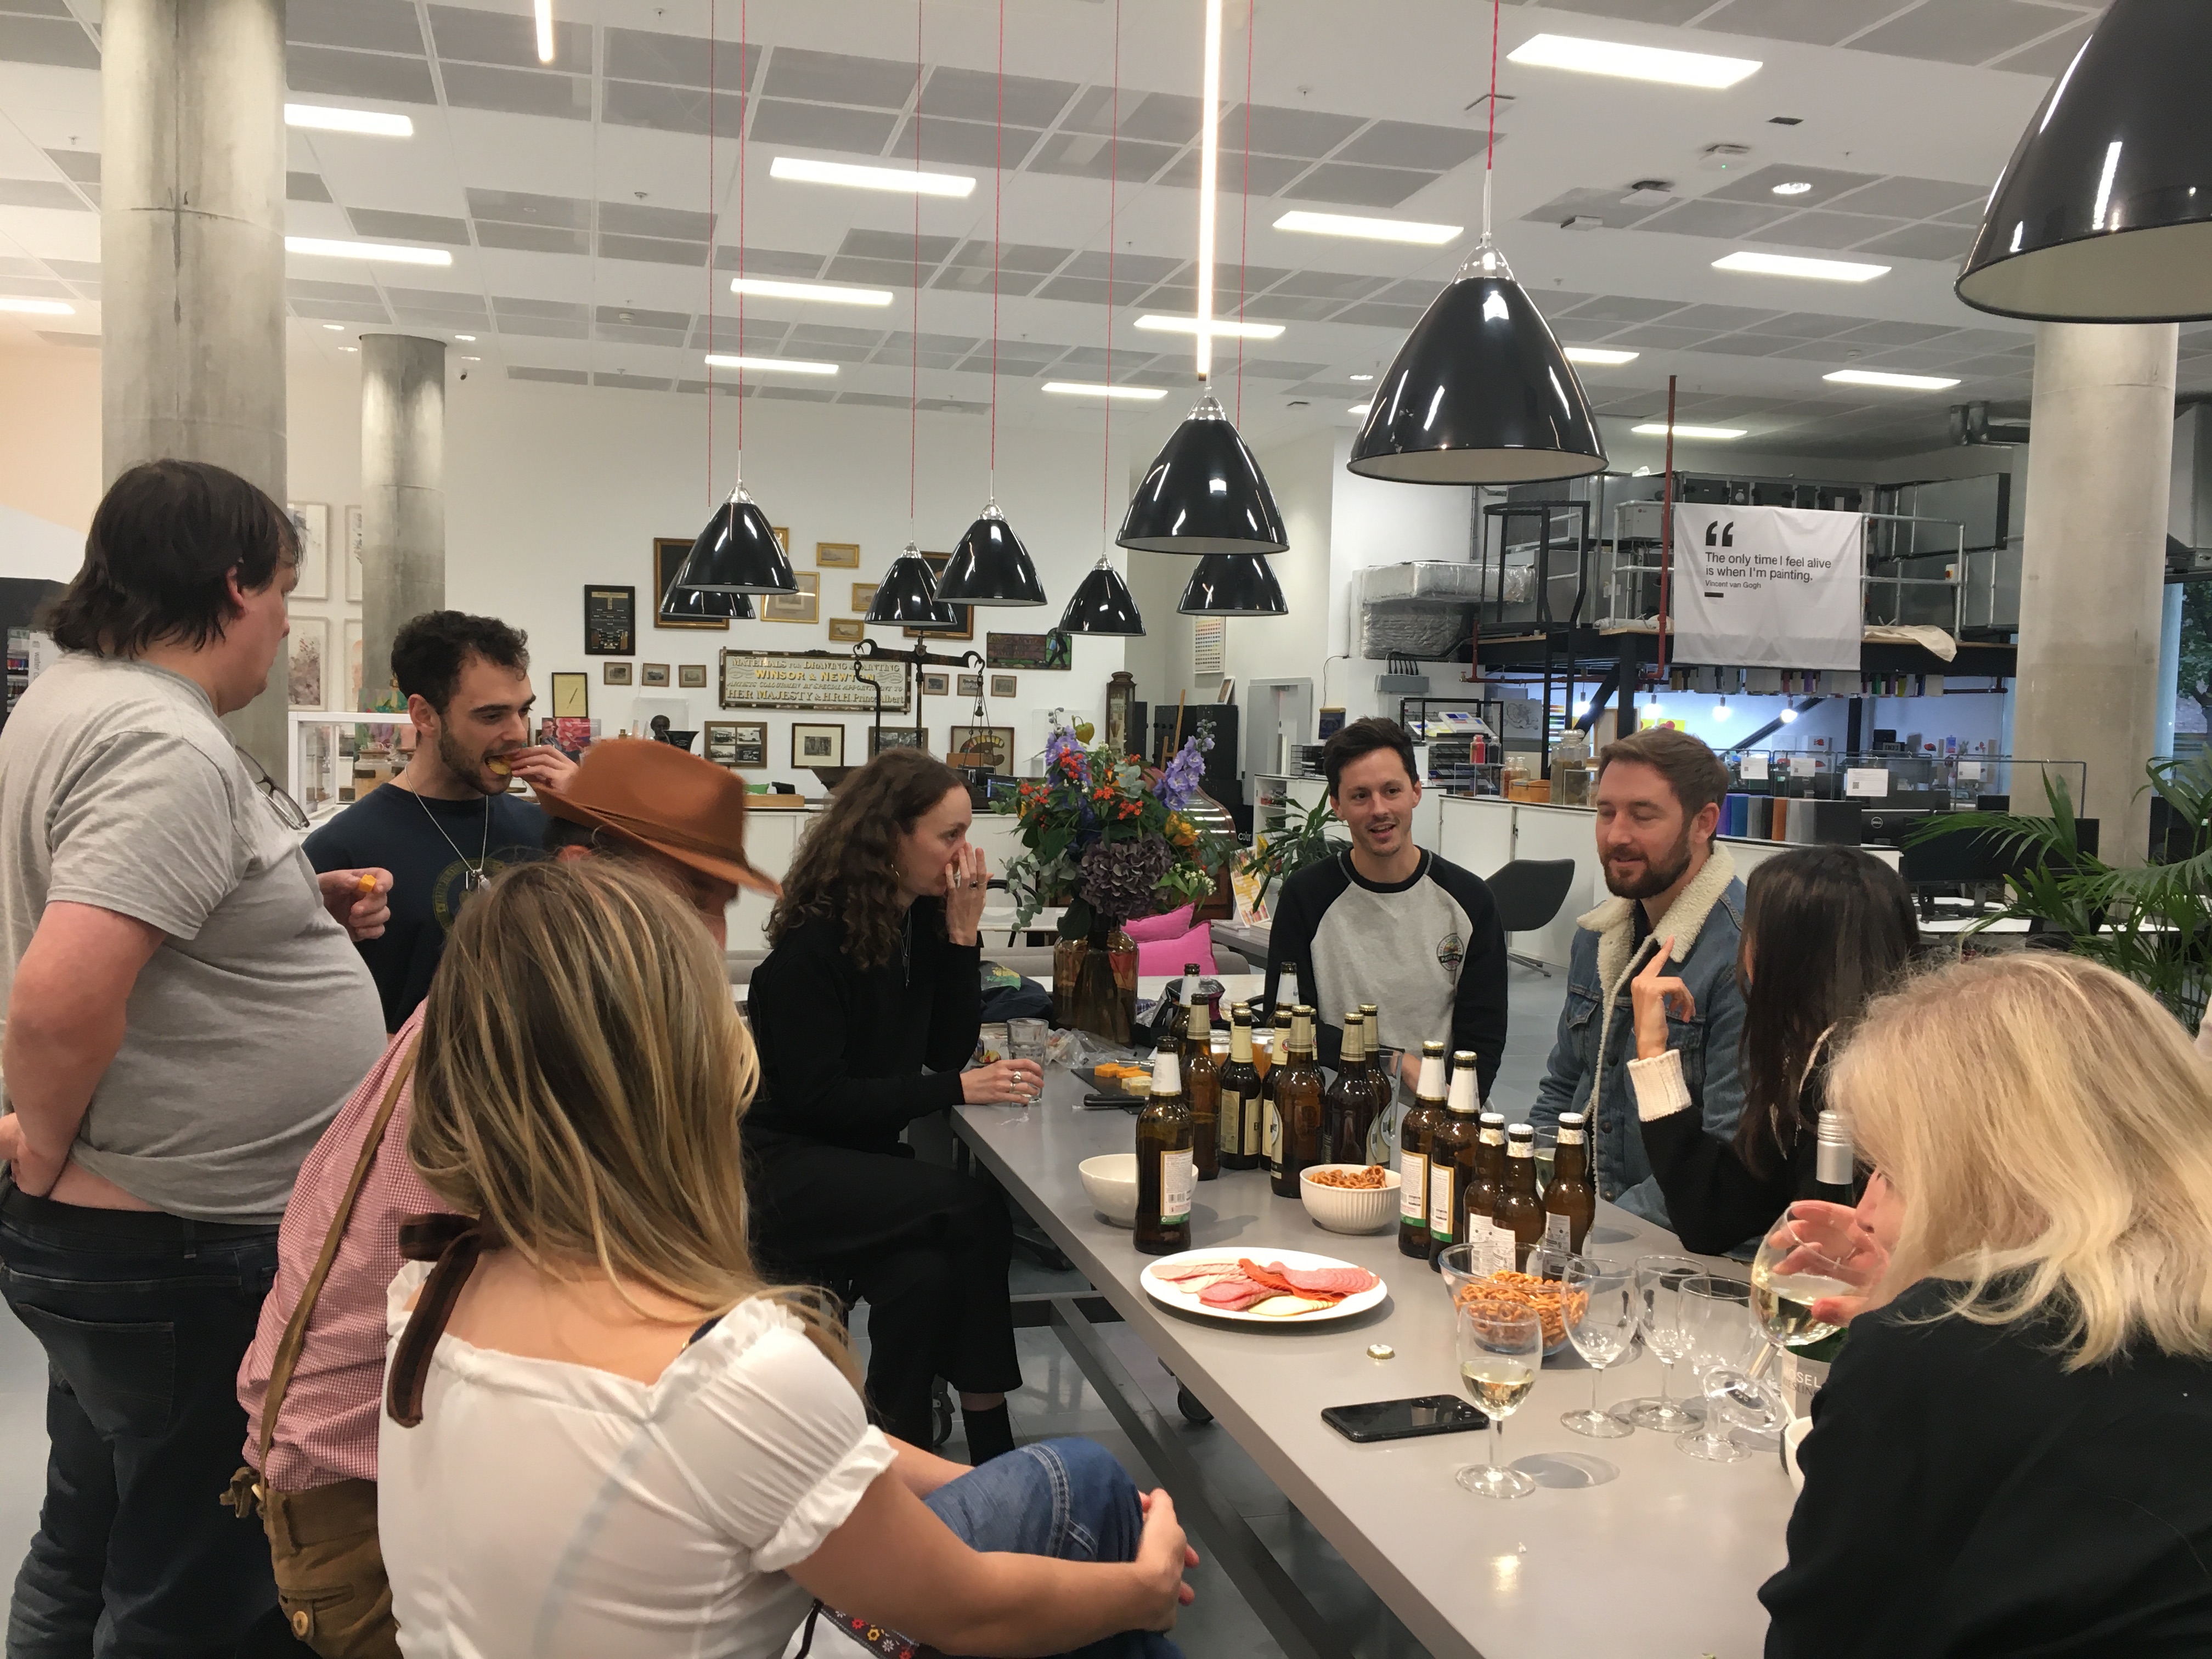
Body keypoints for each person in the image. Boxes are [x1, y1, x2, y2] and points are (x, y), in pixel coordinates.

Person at [378, 858, 1196, 1657]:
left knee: (1076, 1476)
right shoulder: (732, 1371)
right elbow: (975, 1615)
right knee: (1092, 1493)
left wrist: (943, 1483)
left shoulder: (427, 1294)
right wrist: (1146, 1588)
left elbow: (778, 1450)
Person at [234, 738, 773, 1658]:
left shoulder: (500, 999)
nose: (711, 942)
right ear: (584, 882)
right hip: (370, 1489)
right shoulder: (536, 1048)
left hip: (397, 1452)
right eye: (691, 901)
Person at [0, 459, 388, 1654]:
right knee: (197, 1592)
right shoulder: (157, 740)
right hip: (183, 1242)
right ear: (233, 586)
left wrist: (288, 906)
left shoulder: (76, 700)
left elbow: (136, 911)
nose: (284, 625)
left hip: (146, 1235)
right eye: (283, 593)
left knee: (91, 1533)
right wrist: (43, 1146)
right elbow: (58, 1000)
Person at [1760, 953, 2212, 1655]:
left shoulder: (1936, 1357)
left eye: (1895, 1174)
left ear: (2002, 1180)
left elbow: (1822, 1641)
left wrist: (1912, 1328)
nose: (1868, 1212)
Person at [744, 750, 1041, 1462]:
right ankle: (992, 1438)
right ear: (889, 836)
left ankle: (898, 1454)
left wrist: (962, 938)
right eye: (949, 836)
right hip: (786, 1168)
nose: (964, 856)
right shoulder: (813, 947)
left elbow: (945, 1048)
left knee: (924, 1277)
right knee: (975, 1208)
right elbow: (822, 1098)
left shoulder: (917, 925)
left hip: (863, 1163)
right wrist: (955, 1090)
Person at [1623, 845, 1917, 1254]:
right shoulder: (1812, 1064)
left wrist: (1653, 1050)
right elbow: (1710, 1217)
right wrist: (1654, 1053)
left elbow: (1828, 1264)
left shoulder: (1843, 1087)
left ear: (1785, 954)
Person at [304, 611, 577, 1031]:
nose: (518, 733)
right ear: (425, 716)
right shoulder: (341, 850)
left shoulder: (546, 830)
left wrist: (586, 815)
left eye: (524, 711)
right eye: (492, 716)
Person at [1528, 727, 1746, 1227]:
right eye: (1606, 812)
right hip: (1585, 1217)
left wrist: (1598, 1227)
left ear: (1704, 823)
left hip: (1675, 1242)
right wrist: (1531, 1182)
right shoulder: (1599, 936)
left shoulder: (1742, 955)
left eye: (1642, 816)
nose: (1616, 836)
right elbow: (1564, 1084)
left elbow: (1730, 1147)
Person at [1262, 716, 1508, 1094]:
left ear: (1416, 792)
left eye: (1391, 791)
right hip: (1329, 1105)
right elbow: (1287, 1020)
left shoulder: (1470, 901)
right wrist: (1392, 1061)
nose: (1379, 809)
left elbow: (1483, 1036)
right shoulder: (1306, 897)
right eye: (1360, 796)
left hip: (1435, 1107)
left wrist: (1453, 1107)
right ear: (1337, 806)